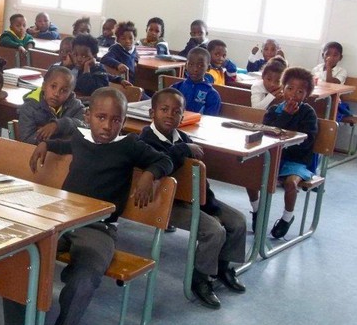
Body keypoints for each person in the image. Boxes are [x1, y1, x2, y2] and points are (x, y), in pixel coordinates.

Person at [4, 87, 172, 325]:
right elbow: (65, 144)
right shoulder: (80, 138)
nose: (107, 126)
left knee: (85, 279)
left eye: (115, 120)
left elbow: (163, 159)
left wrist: (148, 176)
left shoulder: (129, 145)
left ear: (124, 120)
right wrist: (46, 144)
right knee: (20, 255)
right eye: (101, 117)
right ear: (88, 116)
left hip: (99, 228)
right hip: (60, 220)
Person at [138, 88, 247, 309]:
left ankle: (222, 267)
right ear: (152, 113)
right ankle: (201, 278)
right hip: (165, 202)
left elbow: (200, 181)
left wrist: (212, 206)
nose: (170, 115)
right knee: (214, 231)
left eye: (176, 111)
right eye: (164, 110)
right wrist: (183, 148)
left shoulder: (182, 138)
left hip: (194, 199)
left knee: (237, 221)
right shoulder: (145, 139)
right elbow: (162, 162)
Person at [247, 68, 318, 238]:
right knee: (248, 174)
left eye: (300, 91)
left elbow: (307, 142)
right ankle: (257, 210)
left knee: (291, 183)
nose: (294, 94)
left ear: (306, 95)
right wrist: (285, 115)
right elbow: (268, 133)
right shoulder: (274, 110)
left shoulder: (308, 113)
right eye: (290, 88)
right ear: (283, 88)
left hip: (297, 160)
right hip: (274, 158)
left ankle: (287, 218)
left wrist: (287, 142)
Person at [17, 66, 85, 144]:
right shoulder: (29, 108)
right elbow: (27, 140)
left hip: (67, 154)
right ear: (43, 86)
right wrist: (60, 135)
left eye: (64, 91)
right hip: (40, 154)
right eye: (53, 86)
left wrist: (58, 125)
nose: (56, 94)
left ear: (70, 93)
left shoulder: (75, 106)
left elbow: (84, 128)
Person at [171, 47, 221, 115]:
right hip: (176, 124)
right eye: (191, 64)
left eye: (200, 65)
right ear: (186, 66)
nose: (195, 69)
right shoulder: (176, 88)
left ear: (208, 68)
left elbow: (210, 120)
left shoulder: (212, 95)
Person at [312, 41, 351, 120]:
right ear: (323, 55)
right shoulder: (317, 69)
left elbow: (330, 83)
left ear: (340, 58)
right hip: (317, 99)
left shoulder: (342, 71)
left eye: (335, 55)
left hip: (333, 101)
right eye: (327, 54)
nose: (330, 57)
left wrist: (328, 67)